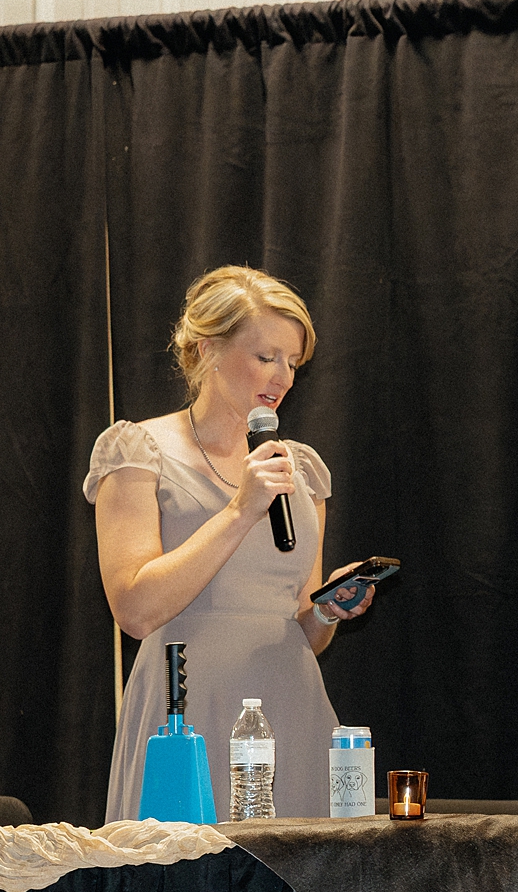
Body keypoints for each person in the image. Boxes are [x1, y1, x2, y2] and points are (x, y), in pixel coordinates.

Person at [85, 266, 376, 822]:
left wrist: (329, 609)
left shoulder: (301, 469)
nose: (282, 376)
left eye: (293, 362)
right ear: (207, 349)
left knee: (296, 873)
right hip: (185, 713)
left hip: (290, 708)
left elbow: (304, 632)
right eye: (266, 356)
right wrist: (241, 510)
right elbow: (135, 610)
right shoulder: (137, 452)